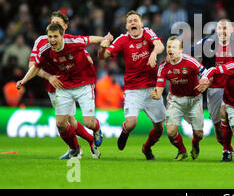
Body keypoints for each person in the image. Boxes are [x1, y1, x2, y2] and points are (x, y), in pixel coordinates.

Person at [17, 23, 109, 159]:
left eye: (55, 36)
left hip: (84, 84)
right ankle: (75, 149)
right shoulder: (46, 49)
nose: (52, 40)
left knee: (88, 122)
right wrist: (23, 80)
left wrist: (105, 38)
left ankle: (96, 129)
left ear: (62, 36)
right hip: (64, 86)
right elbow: (36, 66)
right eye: (50, 37)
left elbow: (90, 39)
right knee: (60, 124)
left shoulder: (73, 42)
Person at [98, 10, 165, 160]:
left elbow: (160, 46)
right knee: (131, 123)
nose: (133, 23)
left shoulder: (148, 32)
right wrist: (103, 47)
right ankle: (125, 132)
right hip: (133, 89)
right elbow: (102, 56)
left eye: (135, 20)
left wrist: (154, 53)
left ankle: (147, 148)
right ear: (126, 26)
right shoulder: (122, 39)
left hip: (151, 87)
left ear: (142, 23)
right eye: (130, 21)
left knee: (159, 128)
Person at [191, 19, 234, 157]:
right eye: (219, 28)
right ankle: (227, 146)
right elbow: (191, 57)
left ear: (232, 30)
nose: (222, 32)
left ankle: (226, 151)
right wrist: (203, 75)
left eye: (225, 29)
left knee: (228, 118)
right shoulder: (207, 43)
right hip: (214, 89)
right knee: (218, 126)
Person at [151, 36, 206, 161]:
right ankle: (182, 150)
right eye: (169, 47)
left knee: (199, 134)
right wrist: (156, 95)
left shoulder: (190, 61)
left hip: (194, 99)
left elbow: (205, 72)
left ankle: (195, 144)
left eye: (174, 47)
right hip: (175, 100)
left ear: (181, 49)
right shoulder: (163, 67)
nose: (170, 49)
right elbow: (159, 89)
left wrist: (205, 82)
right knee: (170, 131)